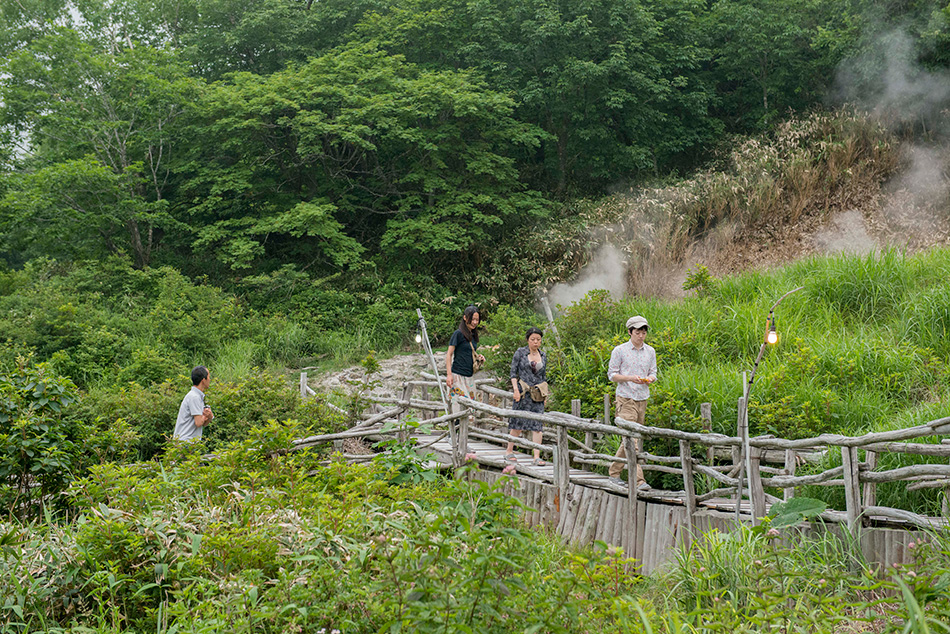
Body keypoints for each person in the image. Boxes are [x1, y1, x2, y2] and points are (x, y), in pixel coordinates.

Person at [607, 316, 657, 491]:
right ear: (630, 332)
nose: (641, 336)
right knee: (631, 439)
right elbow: (612, 375)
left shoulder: (650, 351)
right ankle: (638, 481)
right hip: (625, 397)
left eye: (643, 332)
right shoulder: (619, 350)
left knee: (631, 438)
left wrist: (649, 378)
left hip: (642, 397)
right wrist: (630, 378)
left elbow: (653, 372)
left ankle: (614, 472)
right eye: (637, 332)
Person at [506, 327, 548, 466]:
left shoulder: (543, 355)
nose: (535, 342)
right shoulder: (520, 353)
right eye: (533, 339)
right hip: (523, 391)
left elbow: (543, 377)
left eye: (538, 340)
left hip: (537, 393)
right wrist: (515, 390)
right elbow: (513, 373)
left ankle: (536, 456)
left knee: (537, 425)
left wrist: (545, 395)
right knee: (518, 423)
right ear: (528, 340)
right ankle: (509, 451)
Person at [445, 305, 485, 414]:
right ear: (464, 318)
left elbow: (469, 353)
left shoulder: (473, 335)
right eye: (472, 319)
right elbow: (449, 354)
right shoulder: (458, 334)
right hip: (458, 375)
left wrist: (479, 357)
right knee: (460, 407)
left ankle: (464, 431)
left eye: (477, 319)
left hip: (469, 376)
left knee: (470, 409)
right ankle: (457, 431)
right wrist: (449, 375)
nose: (475, 322)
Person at [173, 366, 214, 442]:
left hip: (190, 442)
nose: (209, 380)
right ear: (203, 380)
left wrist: (210, 416)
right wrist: (205, 415)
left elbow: (203, 423)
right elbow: (198, 423)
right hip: (185, 442)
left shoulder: (198, 396)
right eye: (208, 377)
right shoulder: (194, 397)